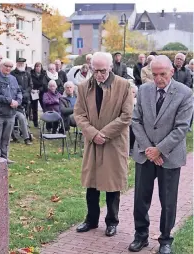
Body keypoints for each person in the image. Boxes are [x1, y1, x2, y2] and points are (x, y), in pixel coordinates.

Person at [129, 55, 193, 254]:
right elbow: (136, 121)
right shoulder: (144, 90)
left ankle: (166, 239)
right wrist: (150, 149)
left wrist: (159, 150)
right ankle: (141, 236)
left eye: (162, 74)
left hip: (170, 156)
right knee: (140, 199)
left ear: (172, 72)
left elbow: (182, 128)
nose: (158, 79)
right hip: (145, 154)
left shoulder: (185, 93)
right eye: (155, 74)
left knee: (168, 201)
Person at [74, 52, 133, 237]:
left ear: (111, 68)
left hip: (114, 142)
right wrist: (92, 133)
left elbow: (126, 116)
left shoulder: (124, 86)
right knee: (91, 183)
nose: (99, 74)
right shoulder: (84, 87)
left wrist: (104, 134)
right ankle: (91, 220)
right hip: (93, 142)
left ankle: (112, 221)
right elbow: (79, 114)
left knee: (112, 184)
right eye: (95, 70)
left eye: (103, 70)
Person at [0, 58, 22, 163]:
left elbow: (18, 91)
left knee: (6, 138)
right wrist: (9, 101)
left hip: (11, 113)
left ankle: (5, 158)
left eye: (10, 66)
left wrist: (18, 101)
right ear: (1, 66)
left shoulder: (13, 79)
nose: (8, 68)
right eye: (6, 66)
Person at [30, 62, 46, 127]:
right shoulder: (31, 74)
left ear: (41, 67)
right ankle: (35, 123)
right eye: (36, 66)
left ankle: (47, 121)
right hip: (34, 92)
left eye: (39, 66)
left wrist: (40, 89)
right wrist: (32, 89)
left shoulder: (44, 74)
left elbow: (45, 84)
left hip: (42, 92)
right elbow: (30, 82)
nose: (38, 68)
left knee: (44, 107)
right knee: (34, 108)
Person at [129, 83, 138, 156]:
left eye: (133, 92)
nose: (131, 94)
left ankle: (132, 148)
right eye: (130, 92)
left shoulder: (137, 102)